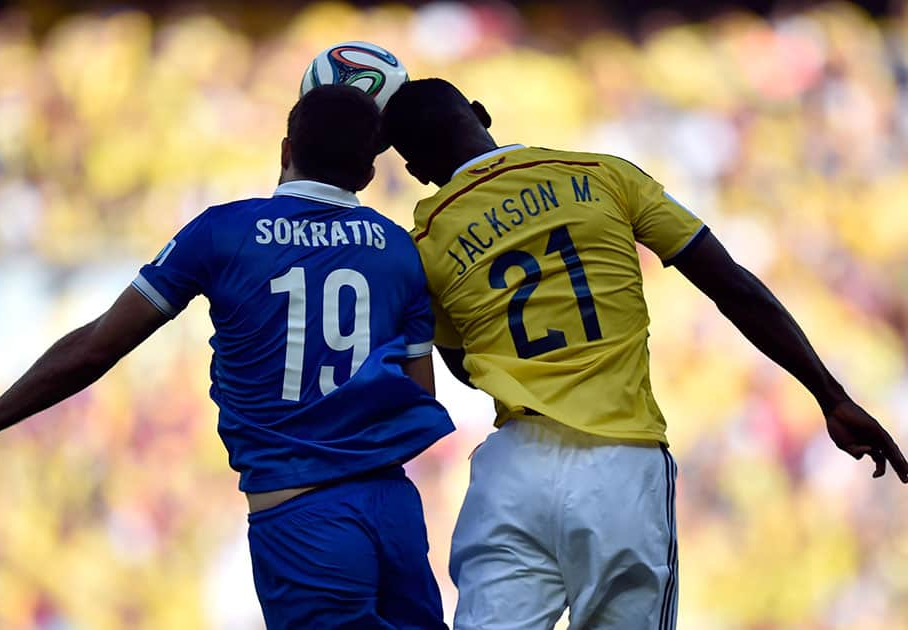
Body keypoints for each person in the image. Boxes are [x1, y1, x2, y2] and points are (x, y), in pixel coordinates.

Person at [0, 85, 454, 630]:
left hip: (302, 517)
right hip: (394, 512)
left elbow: (97, 345)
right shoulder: (398, 247)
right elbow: (419, 394)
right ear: (365, 175)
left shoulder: (221, 233)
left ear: (286, 149)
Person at [381, 78, 908, 630]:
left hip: (512, 474)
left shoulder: (424, 244)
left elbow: (467, 369)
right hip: (620, 464)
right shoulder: (605, 176)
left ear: (415, 171)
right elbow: (732, 287)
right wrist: (830, 395)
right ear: (482, 114)